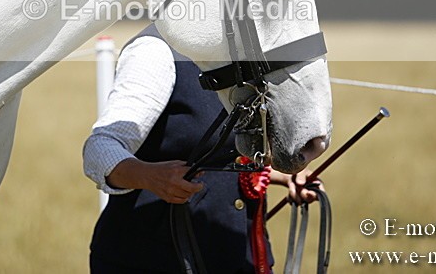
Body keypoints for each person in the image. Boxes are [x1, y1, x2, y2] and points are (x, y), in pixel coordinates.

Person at [83, 25, 322, 274]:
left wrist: (284, 175)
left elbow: (226, 156)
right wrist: (150, 176)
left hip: (239, 254)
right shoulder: (155, 51)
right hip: (150, 258)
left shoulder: (241, 50)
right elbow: (100, 147)